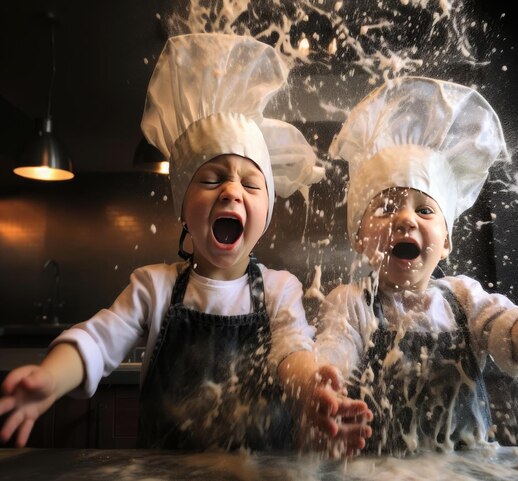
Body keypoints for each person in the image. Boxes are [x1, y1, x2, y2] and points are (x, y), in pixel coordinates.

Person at [0, 33, 352, 451]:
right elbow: (98, 340)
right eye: (212, 178)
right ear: (183, 207)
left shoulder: (280, 289)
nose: (232, 191)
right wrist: (50, 379)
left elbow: (292, 351)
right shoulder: (155, 288)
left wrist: (310, 388)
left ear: (265, 216)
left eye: (250, 183)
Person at [309, 76, 518, 456]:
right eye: (385, 207)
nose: (405, 220)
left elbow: (513, 342)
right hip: (380, 469)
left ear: (446, 243)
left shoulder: (464, 297)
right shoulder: (350, 303)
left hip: (468, 468)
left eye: (425, 210)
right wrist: (325, 385)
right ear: (359, 237)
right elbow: (334, 351)